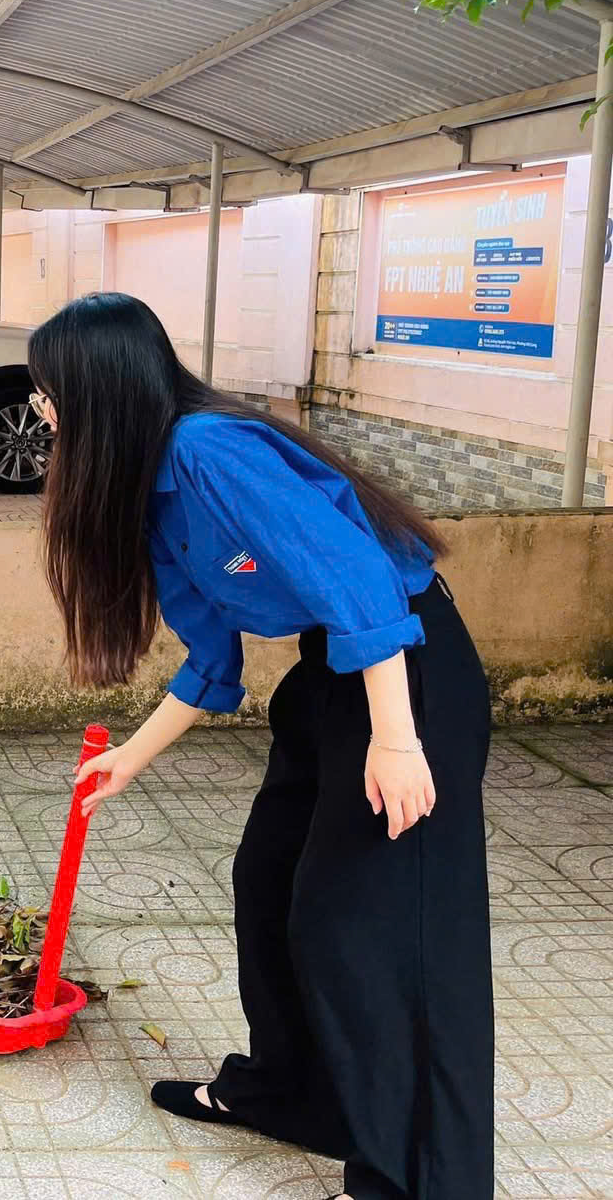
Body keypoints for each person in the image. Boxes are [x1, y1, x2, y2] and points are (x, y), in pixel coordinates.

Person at [28, 293, 489, 1200]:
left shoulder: (209, 449)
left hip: (402, 669)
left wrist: (396, 739)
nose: (42, 409)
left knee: (375, 927)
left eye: (48, 392)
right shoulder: (149, 486)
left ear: (98, 389)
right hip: (331, 675)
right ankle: (299, 1096)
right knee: (270, 883)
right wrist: (132, 756)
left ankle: (425, 1175)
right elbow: (212, 654)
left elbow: (360, 580)